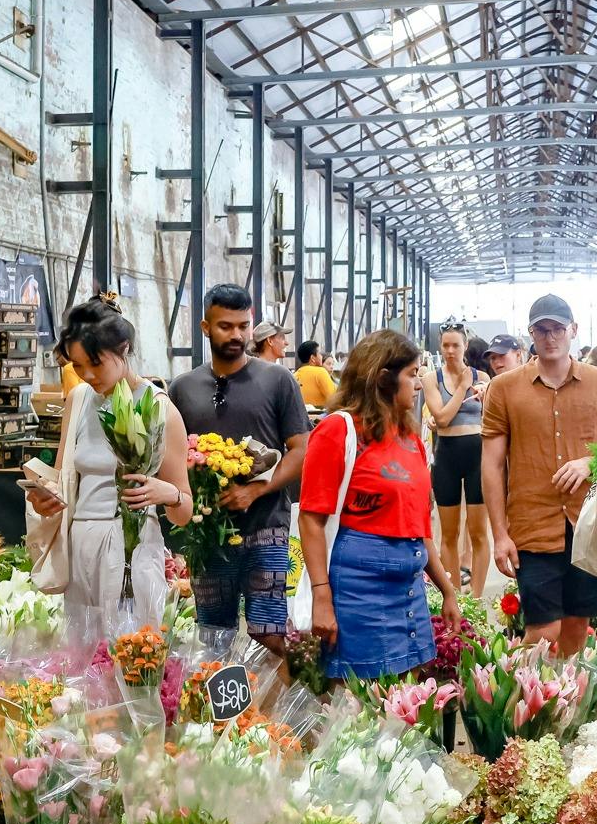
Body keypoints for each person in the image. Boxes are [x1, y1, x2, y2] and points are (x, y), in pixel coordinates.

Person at [299, 330, 461, 681]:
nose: (419, 384)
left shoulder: (412, 442)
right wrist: (321, 597)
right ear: (384, 378)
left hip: (410, 592)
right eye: (412, 374)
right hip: (358, 594)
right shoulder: (338, 432)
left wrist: (447, 589)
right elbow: (311, 521)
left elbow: (419, 530)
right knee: (360, 706)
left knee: (409, 705)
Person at [25, 299, 194, 631]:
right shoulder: (78, 400)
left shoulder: (160, 409)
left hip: (131, 551)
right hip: (79, 547)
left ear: (124, 348)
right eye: (77, 366)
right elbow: (60, 481)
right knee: (83, 655)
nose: (87, 376)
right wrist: (45, 499)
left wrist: (167, 493)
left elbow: (184, 511)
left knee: (129, 655)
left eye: (96, 363)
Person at [482, 294, 597, 655]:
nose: (550, 337)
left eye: (558, 329)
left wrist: (590, 463)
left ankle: (572, 710)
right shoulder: (504, 389)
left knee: (578, 626)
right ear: (530, 333)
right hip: (532, 525)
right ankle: (534, 706)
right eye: (541, 329)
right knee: (542, 634)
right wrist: (500, 534)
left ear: (573, 330)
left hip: (587, 526)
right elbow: (491, 465)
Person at [170, 286, 311, 652]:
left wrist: (257, 489)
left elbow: (301, 450)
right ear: (205, 327)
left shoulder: (278, 380)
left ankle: (280, 708)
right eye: (225, 326)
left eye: (243, 326)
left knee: (270, 633)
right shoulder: (182, 389)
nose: (236, 335)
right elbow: (170, 457)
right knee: (212, 636)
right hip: (208, 538)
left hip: (266, 528)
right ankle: (222, 709)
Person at [422, 321, 492, 598]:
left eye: (456, 345)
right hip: (447, 454)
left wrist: (485, 398)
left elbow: (494, 419)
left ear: (465, 346)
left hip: (478, 454)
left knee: (478, 532)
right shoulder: (432, 379)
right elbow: (441, 418)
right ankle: (451, 595)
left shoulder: (483, 378)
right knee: (448, 534)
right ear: (440, 347)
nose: (451, 351)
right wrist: (463, 388)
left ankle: (475, 597)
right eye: (446, 345)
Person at [295, 340, 338, 407]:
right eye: (319, 353)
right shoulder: (320, 372)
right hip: (319, 415)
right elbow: (334, 399)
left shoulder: (295, 375)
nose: (321, 356)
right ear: (312, 358)